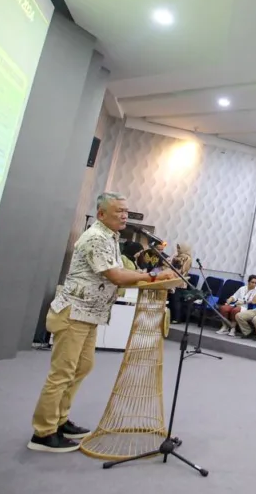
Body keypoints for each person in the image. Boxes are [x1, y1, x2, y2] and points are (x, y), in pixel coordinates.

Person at [29, 192, 177, 453]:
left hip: (90, 315)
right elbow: (116, 276)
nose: (124, 215)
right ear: (101, 214)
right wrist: (153, 276)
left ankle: (60, 420)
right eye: (118, 210)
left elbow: (122, 272)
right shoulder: (96, 237)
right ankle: (43, 432)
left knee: (82, 367)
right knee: (62, 373)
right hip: (74, 313)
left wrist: (149, 275)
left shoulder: (111, 237)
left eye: (126, 211)